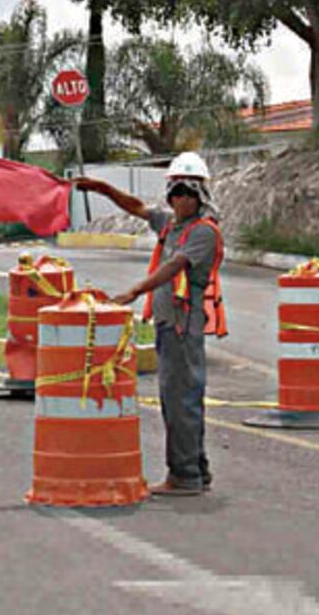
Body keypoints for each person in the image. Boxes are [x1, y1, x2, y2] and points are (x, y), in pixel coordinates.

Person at [73, 152, 227, 496]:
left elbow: (174, 266)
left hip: (182, 326)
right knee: (179, 396)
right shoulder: (173, 224)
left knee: (180, 398)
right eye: (175, 193)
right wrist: (102, 188)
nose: (179, 199)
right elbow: (138, 207)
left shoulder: (204, 233)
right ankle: (196, 469)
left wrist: (134, 291)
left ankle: (184, 475)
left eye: (186, 193)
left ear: (199, 196)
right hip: (169, 325)